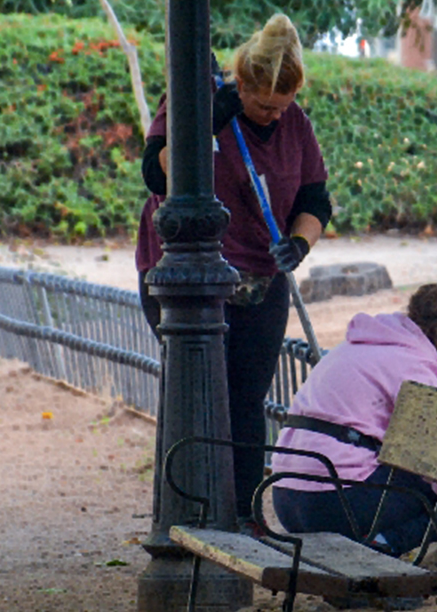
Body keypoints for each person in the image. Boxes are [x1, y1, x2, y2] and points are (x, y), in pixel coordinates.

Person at [135, 14, 332, 528]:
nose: (272, 116)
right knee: (201, 398)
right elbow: (157, 172)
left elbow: (315, 199)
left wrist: (298, 243)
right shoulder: (198, 103)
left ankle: (245, 515)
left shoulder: (294, 125)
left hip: (261, 280)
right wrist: (209, 121)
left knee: (247, 402)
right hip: (185, 278)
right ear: (240, 83)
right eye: (263, 105)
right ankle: (195, 514)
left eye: (281, 106)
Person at [269, 273, 437, 563]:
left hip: (285, 497)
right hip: (331, 503)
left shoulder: (363, 343)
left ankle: (367, 555)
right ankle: (380, 549)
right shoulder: (416, 371)